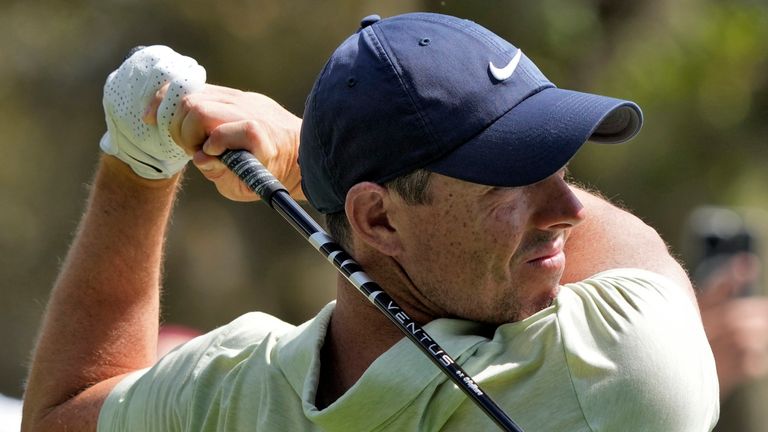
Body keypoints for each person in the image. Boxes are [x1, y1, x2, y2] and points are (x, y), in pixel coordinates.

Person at [22, 12, 719, 431]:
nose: (569, 210)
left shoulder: (231, 395)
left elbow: (63, 413)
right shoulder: (612, 378)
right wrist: (300, 156)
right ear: (378, 221)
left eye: (560, 169)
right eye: (511, 182)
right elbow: (638, 250)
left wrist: (138, 160)